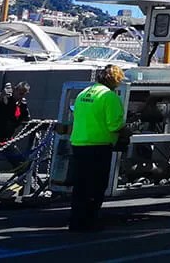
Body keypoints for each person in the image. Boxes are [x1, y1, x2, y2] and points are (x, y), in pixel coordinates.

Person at [68, 65, 125, 232]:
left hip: (79, 143)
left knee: (80, 185)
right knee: (97, 186)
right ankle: (90, 221)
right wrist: (127, 129)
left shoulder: (84, 93)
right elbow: (114, 125)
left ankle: (76, 221)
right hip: (98, 145)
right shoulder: (109, 96)